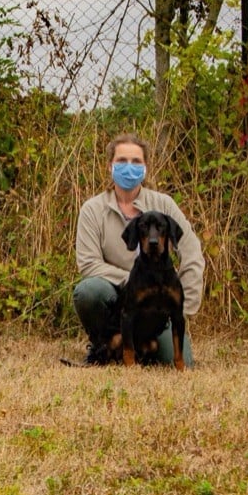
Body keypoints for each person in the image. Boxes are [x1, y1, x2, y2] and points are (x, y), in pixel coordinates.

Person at [72, 132, 204, 366]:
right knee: (88, 291)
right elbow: (89, 264)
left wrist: (183, 306)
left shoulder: (164, 204)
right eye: (121, 161)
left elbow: (192, 253)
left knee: (177, 365)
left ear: (146, 167)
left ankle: (150, 348)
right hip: (118, 297)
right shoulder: (92, 210)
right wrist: (136, 282)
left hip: (160, 305)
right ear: (109, 166)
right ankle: (106, 345)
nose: (128, 168)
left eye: (136, 162)